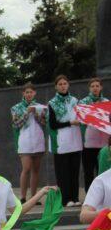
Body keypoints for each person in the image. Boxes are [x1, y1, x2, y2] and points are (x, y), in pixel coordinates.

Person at [47, 75, 83, 207]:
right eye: (60, 84)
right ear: (56, 87)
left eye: (65, 83)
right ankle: (65, 199)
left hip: (75, 140)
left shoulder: (75, 101)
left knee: (74, 170)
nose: (63, 86)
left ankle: (75, 197)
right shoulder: (52, 103)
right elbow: (52, 125)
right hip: (61, 142)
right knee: (63, 172)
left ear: (68, 85)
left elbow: (81, 117)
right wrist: (70, 122)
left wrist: (81, 121)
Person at [11, 83, 47, 202]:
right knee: (26, 168)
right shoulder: (16, 108)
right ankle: (22, 196)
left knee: (36, 169)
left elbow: (44, 123)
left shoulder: (40, 107)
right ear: (23, 94)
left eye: (31, 92)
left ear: (34, 93)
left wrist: (36, 114)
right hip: (25, 141)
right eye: (27, 92)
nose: (29, 94)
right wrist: (27, 112)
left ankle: (34, 197)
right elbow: (16, 124)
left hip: (38, 140)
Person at [80, 78, 109, 192]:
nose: (95, 88)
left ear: (101, 87)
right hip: (89, 142)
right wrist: (93, 109)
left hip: (103, 143)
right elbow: (81, 120)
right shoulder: (83, 102)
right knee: (88, 171)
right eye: (92, 86)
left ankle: (104, 194)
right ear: (89, 88)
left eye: (97, 86)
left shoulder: (106, 102)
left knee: (102, 171)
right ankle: (89, 195)